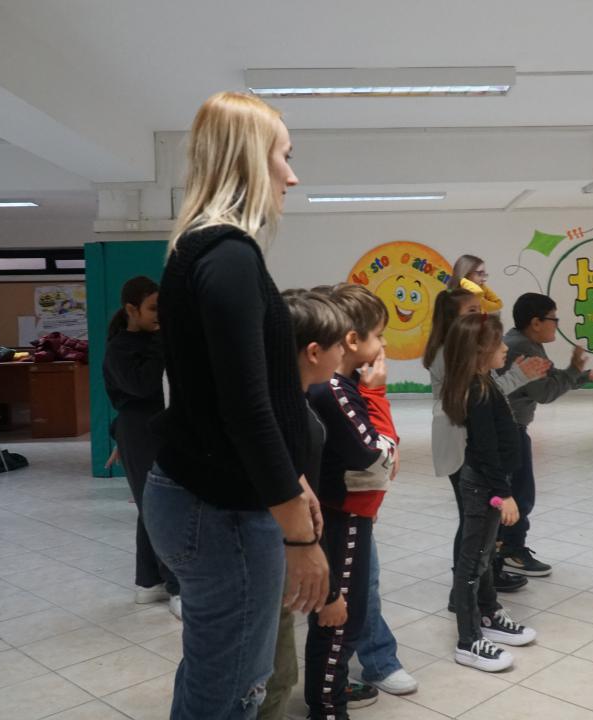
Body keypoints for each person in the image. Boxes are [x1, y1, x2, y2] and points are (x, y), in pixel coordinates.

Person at [143, 91, 328, 720]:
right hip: (218, 509)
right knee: (232, 693)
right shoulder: (228, 256)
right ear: (249, 158)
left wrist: (293, 479)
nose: (291, 176)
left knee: (216, 677)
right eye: (284, 156)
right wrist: (300, 537)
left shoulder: (203, 250)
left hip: (209, 497)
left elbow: (247, 394)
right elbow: (245, 409)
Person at [305, 283, 397, 720]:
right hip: (341, 517)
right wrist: (377, 396)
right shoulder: (334, 391)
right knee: (338, 617)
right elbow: (374, 455)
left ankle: (333, 689)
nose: (384, 345)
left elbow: (380, 456)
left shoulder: (344, 386)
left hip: (351, 513)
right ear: (353, 340)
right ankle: (328, 707)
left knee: (346, 613)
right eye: (379, 335)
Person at [423, 287, 550, 600]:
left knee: (479, 521)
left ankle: (483, 579)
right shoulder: (449, 353)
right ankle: (468, 589)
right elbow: (476, 396)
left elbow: (486, 390)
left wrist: (519, 376)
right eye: (471, 312)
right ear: (452, 319)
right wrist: (518, 377)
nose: (480, 315)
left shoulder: (462, 353)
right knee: (473, 521)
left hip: (468, 443)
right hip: (462, 445)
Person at [260, 290, 350, 720]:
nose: (344, 353)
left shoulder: (287, 402)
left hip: (274, 555)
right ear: (313, 352)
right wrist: (329, 592)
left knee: (273, 671)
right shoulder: (289, 416)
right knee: (275, 676)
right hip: (273, 556)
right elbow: (305, 509)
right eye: (339, 345)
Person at [499, 293, 593, 577]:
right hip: (508, 430)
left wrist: (586, 375)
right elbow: (546, 392)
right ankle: (511, 551)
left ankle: (503, 548)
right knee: (520, 494)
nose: (557, 324)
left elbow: (554, 378)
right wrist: (577, 370)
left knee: (515, 491)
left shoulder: (526, 342)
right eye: (553, 318)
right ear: (536, 322)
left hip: (510, 427)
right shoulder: (522, 348)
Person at [441, 313, 537, 672]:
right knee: (472, 563)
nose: (505, 349)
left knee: (483, 557)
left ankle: (489, 614)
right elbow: (484, 450)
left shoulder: (484, 382)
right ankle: (468, 641)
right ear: (480, 350)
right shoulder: (477, 391)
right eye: (498, 344)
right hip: (483, 485)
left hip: (487, 483)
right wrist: (503, 494)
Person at [102, 275, 180, 618]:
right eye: (153, 308)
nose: (159, 314)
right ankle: (177, 587)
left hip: (157, 429)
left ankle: (149, 582)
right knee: (160, 508)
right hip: (140, 432)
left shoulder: (154, 340)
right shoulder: (121, 347)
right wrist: (165, 342)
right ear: (131, 309)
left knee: (154, 506)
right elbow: (142, 387)